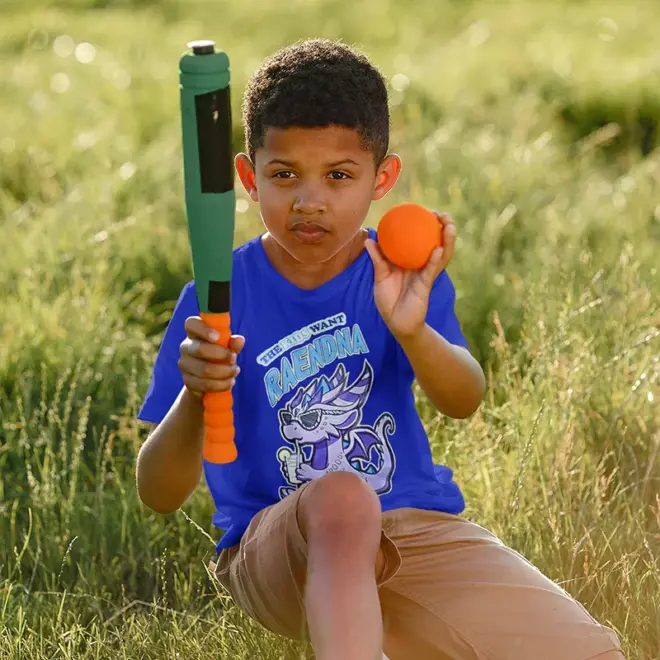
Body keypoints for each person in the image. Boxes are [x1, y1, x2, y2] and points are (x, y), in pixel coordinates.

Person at [135, 38, 624, 660]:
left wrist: (413, 330)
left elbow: (463, 399)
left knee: (592, 652)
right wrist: (197, 395)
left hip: (416, 530)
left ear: (381, 179)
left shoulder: (396, 277)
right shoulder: (215, 298)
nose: (309, 200)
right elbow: (159, 492)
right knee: (342, 497)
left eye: (338, 175)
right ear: (248, 179)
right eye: (284, 174)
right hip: (282, 547)